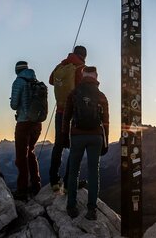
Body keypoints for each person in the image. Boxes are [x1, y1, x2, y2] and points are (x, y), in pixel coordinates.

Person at [62, 66, 109, 220]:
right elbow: (106, 122)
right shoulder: (101, 96)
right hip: (96, 137)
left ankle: (71, 206)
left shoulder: (74, 93)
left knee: (74, 170)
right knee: (93, 172)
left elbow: (66, 117)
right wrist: (105, 141)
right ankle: (91, 209)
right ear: (96, 76)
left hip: (77, 136)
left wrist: (64, 136)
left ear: (83, 76)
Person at [48, 45, 87, 192]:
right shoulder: (81, 68)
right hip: (74, 112)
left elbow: (51, 80)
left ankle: (53, 180)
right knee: (75, 146)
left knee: (58, 144)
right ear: (83, 56)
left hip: (60, 111)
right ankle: (69, 182)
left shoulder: (61, 65)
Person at [10, 61, 42, 201]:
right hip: (37, 123)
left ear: (17, 70)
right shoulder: (36, 81)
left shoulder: (18, 82)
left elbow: (14, 105)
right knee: (31, 153)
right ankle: (36, 185)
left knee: (21, 157)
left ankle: (22, 189)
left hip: (23, 123)